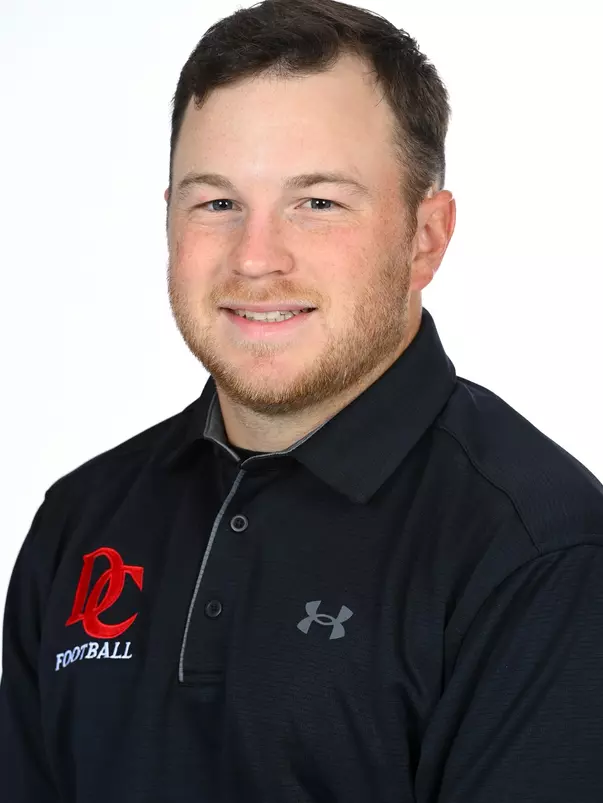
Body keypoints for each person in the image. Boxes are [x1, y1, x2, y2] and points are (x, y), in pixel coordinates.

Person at [2, 0, 603, 800]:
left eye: (317, 201)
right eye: (216, 202)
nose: (255, 258)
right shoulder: (81, 519)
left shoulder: (541, 555)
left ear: (424, 237)